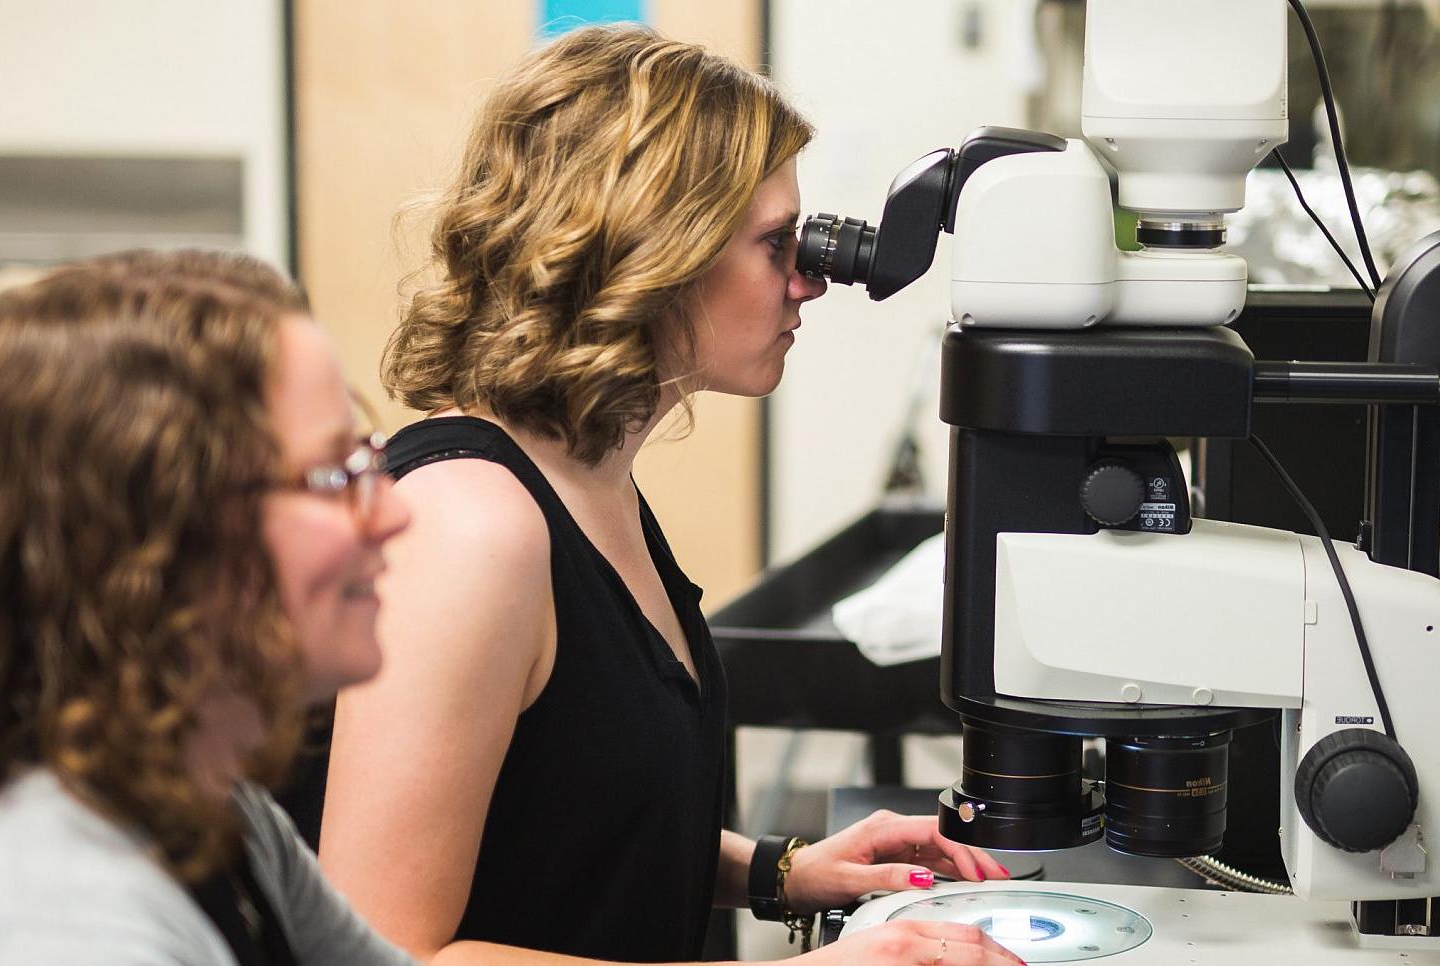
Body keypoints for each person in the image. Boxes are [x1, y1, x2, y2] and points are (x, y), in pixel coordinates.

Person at [293, 23, 1021, 966]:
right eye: (776, 244)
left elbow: (564, 808)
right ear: (650, 253)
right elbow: (388, 953)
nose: (812, 280)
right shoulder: (469, 526)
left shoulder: (589, 479)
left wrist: (777, 870)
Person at [0, 250, 416, 965]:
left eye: (367, 460)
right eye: (332, 475)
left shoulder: (203, 802)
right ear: (156, 541)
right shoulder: (62, 931)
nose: (393, 512)